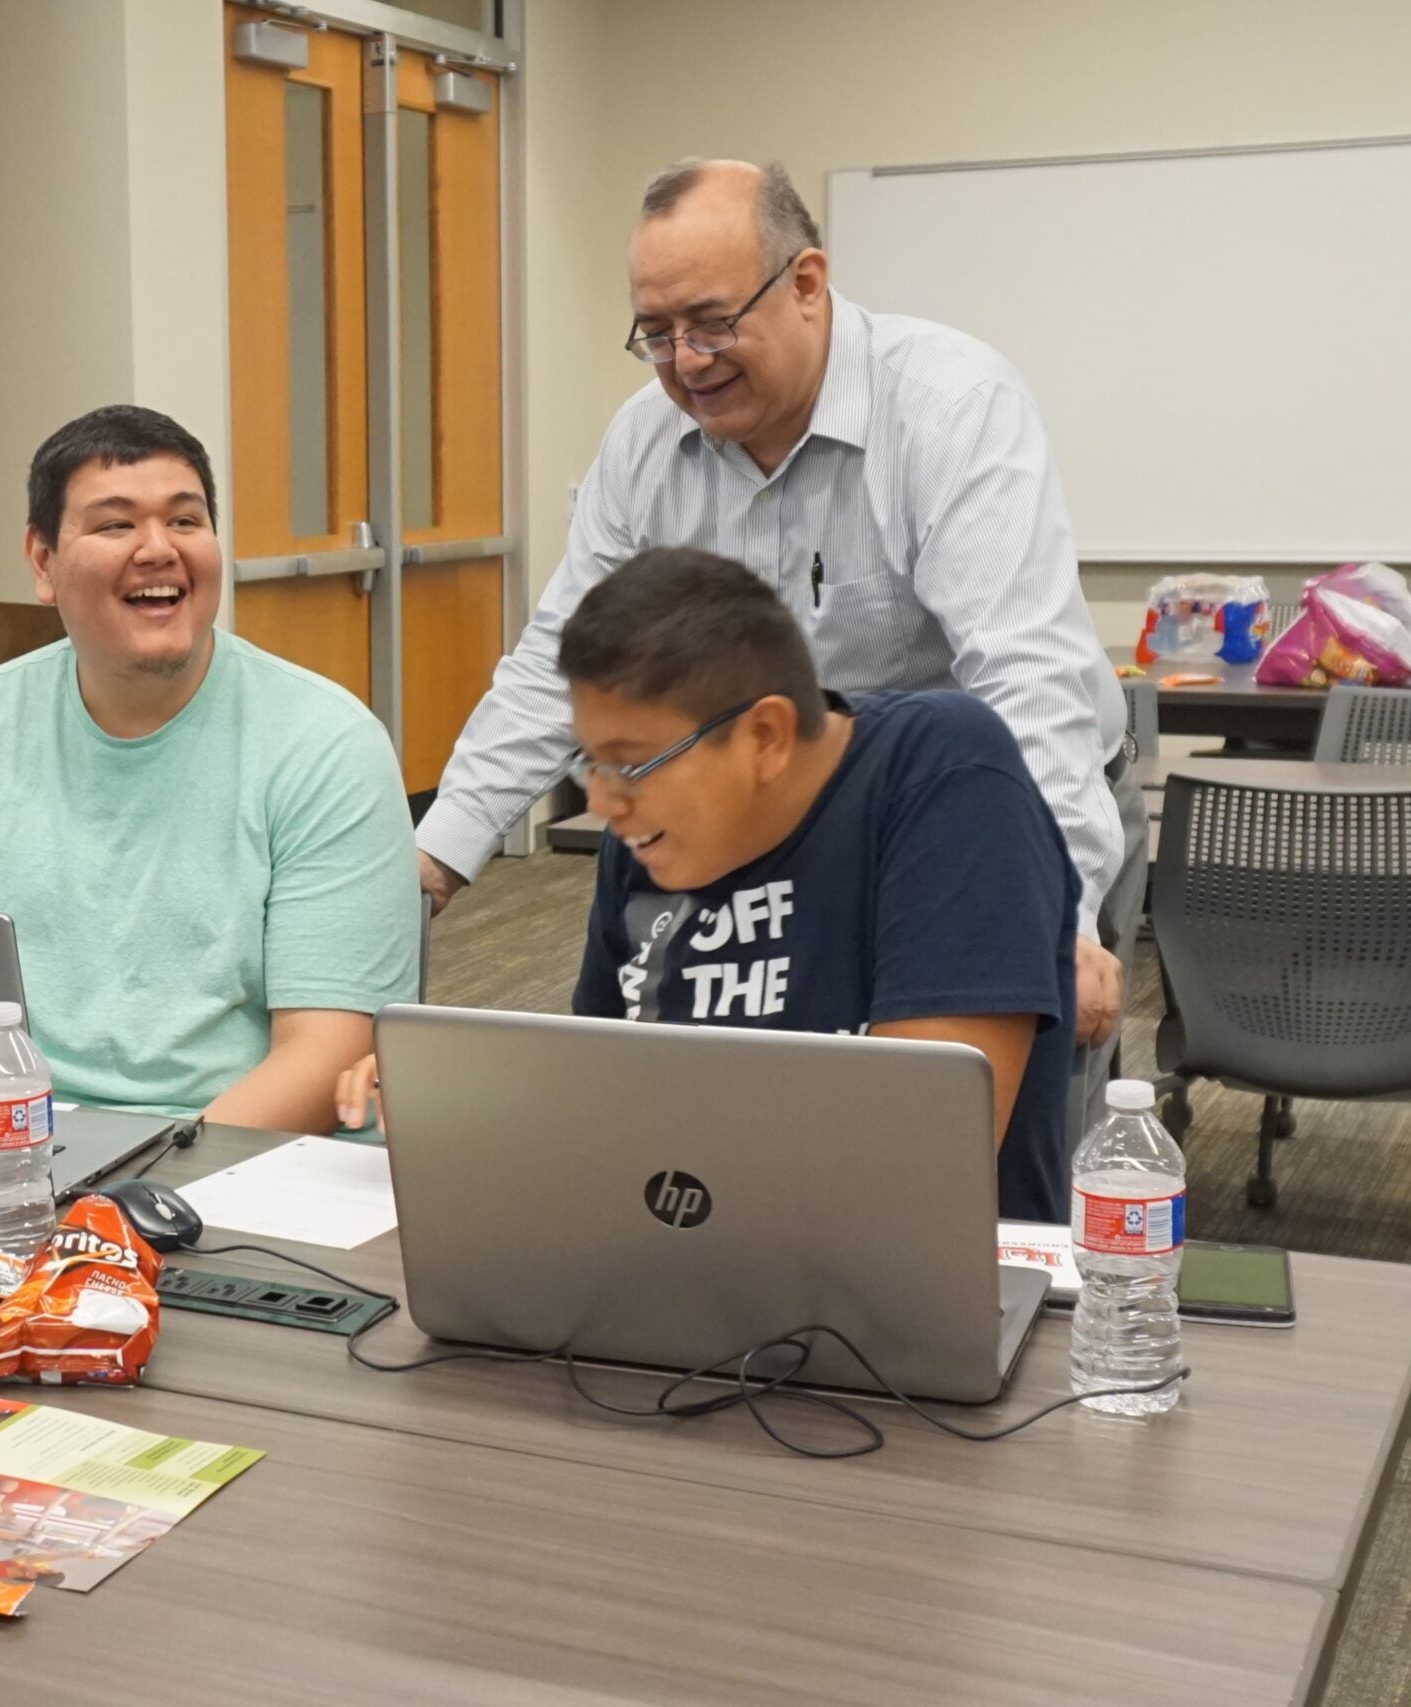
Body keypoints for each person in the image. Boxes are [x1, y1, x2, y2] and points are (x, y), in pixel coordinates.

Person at [414, 159, 1143, 1142]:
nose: (686, 359)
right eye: (656, 333)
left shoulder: (947, 404)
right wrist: (434, 858)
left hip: (981, 807)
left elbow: (1023, 676)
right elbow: (562, 656)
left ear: (805, 283)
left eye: (710, 322)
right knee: (772, 1112)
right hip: (776, 808)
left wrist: (1060, 906)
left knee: (988, 1131)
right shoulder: (644, 444)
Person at [344, 548, 1077, 1221]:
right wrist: (476, 1098)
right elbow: (602, 1083)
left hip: (908, 1290)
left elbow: (919, 1159)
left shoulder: (946, 778)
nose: (603, 802)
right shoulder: (651, 835)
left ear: (765, 737)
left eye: (629, 765)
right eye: (592, 765)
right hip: (676, 1251)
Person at [0, 404, 419, 1133]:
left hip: (241, 1165)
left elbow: (325, 1058)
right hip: (11, 1152)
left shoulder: (326, 743)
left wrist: (132, 1197)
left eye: (186, 521)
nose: (158, 548)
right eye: (116, 524)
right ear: (42, 562)